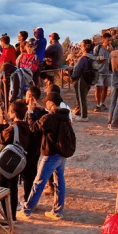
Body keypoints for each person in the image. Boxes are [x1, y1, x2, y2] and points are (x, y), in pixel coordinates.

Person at [18, 91, 73, 221]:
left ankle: (26, 209)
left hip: (51, 154)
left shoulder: (50, 118)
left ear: (51, 103)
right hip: (62, 154)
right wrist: (38, 108)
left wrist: (30, 112)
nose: (45, 104)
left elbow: (33, 127)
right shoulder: (64, 116)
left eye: (47, 102)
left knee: (39, 182)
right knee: (59, 182)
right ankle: (57, 211)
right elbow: (46, 117)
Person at [0, 100, 30, 222]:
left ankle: (7, 219)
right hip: (18, 163)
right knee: (14, 188)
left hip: (8, 163)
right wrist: (6, 124)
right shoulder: (26, 125)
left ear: (13, 113)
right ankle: (13, 216)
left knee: (4, 189)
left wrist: (0, 125)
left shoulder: (12, 128)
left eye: (10, 112)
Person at [21, 86, 47, 204]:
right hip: (37, 146)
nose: (25, 96)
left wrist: (30, 112)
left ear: (30, 97)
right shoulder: (42, 110)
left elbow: (31, 128)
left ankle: (28, 200)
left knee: (28, 175)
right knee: (32, 172)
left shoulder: (31, 112)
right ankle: (30, 198)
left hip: (29, 147)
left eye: (26, 94)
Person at [70, 39, 94, 122]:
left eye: (81, 46)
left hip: (81, 79)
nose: (80, 47)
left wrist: (72, 76)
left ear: (85, 47)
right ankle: (79, 112)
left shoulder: (84, 58)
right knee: (82, 97)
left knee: (81, 98)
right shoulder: (92, 55)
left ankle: (84, 116)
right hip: (89, 79)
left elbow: (78, 70)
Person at [92, 33, 112, 111]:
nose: (109, 42)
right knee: (98, 88)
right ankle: (98, 105)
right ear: (103, 39)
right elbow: (93, 58)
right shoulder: (98, 48)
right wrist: (99, 58)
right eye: (108, 40)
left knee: (106, 88)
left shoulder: (111, 48)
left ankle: (102, 103)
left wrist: (112, 51)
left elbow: (115, 58)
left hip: (108, 71)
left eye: (110, 40)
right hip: (99, 71)